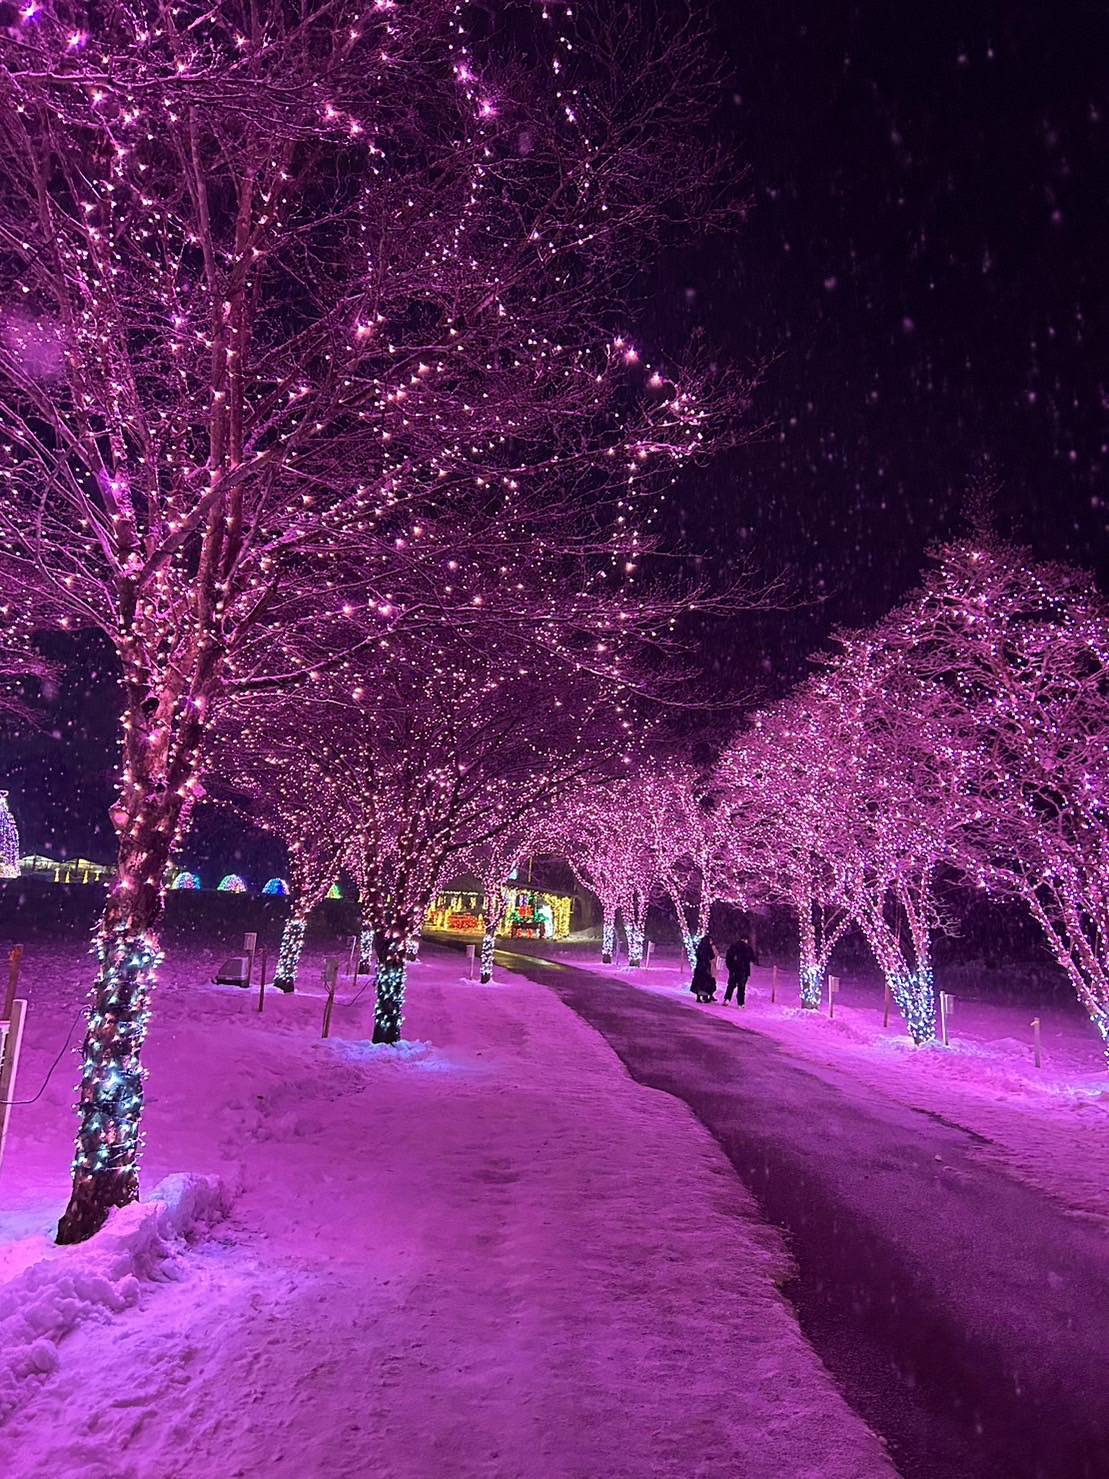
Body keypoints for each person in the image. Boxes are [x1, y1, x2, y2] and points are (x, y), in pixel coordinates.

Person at [724, 934, 758, 1006]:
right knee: (741, 987)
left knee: (731, 985)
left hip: (734, 970)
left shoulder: (734, 946)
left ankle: (727, 999)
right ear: (746, 940)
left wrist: (731, 967)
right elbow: (753, 959)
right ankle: (741, 1003)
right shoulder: (748, 948)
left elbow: (728, 958)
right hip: (744, 971)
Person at [690, 934, 717, 1002]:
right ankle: (705, 996)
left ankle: (698, 997)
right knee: (706, 982)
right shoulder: (708, 948)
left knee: (699, 982)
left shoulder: (700, 947)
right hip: (706, 967)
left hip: (699, 967)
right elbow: (712, 956)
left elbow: (697, 955)